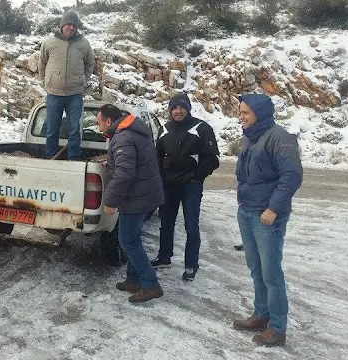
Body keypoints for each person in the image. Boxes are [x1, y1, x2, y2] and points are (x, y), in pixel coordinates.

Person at [232, 93, 303, 347]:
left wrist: (273, 209)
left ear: (259, 113)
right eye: (240, 112)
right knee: (256, 269)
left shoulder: (280, 137)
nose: (240, 117)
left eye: (245, 113)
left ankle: (277, 327)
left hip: (266, 216)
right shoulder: (249, 138)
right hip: (247, 210)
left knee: (271, 272)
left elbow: (291, 176)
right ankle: (261, 314)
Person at [96, 104, 164, 303]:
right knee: (133, 238)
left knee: (127, 241)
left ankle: (151, 285)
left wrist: (110, 201)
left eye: (99, 123)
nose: (99, 128)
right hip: (146, 195)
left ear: (109, 121)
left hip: (137, 197)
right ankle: (133, 280)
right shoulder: (132, 131)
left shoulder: (123, 138)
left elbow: (124, 174)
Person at [151, 93, 220, 282]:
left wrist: (197, 178)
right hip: (169, 185)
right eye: (174, 107)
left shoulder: (201, 128)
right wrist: (162, 175)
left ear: (187, 109)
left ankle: (191, 265)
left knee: (191, 226)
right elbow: (157, 156)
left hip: (191, 186)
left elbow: (212, 158)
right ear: (170, 110)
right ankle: (164, 257)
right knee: (166, 223)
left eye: (181, 107)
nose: (178, 111)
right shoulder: (164, 129)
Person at [38, 10, 95, 161]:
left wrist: (84, 78)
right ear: (62, 25)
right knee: (51, 130)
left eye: (74, 26)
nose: (71, 28)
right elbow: (42, 63)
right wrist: (45, 81)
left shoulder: (84, 43)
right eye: (68, 24)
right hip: (54, 94)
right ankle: (51, 159)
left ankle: (73, 160)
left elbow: (90, 63)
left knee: (75, 130)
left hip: (75, 94)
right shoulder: (49, 42)